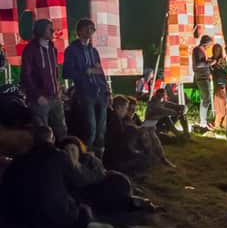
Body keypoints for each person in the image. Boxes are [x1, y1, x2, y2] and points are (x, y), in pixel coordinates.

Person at [0, 126, 113, 228]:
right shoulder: (60, 156)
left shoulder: (20, 159)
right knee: (82, 208)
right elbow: (80, 179)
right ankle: (85, 223)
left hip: (22, 214)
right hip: (55, 215)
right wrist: (99, 174)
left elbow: (6, 183)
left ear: (34, 140)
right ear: (52, 139)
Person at [59, 136, 157, 213]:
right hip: (93, 193)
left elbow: (97, 176)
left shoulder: (89, 158)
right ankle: (137, 202)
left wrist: (77, 167)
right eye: (66, 150)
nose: (70, 153)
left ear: (79, 149)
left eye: (72, 149)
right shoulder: (63, 166)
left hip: (111, 182)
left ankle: (140, 202)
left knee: (114, 197)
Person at [62, 18, 109, 157]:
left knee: (101, 129)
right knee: (91, 129)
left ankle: (99, 161)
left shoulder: (93, 51)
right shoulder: (72, 50)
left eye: (93, 29)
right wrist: (86, 71)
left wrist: (107, 90)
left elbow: (100, 72)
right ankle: (87, 159)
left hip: (100, 92)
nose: (91, 31)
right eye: (88, 28)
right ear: (79, 31)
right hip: (85, 92)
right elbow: (66, 73)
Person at [20, 18, 67, 142]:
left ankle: (63, 157)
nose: (53, 31)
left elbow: (55, 71)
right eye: (49, 29)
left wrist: (59, 87)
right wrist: (37, 95)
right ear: (41, 31)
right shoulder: (30, 49)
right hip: (39, 99)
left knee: (61, 130)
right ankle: (44, 157)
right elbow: (26, 75)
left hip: (55, 96)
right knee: (43, 133)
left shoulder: (52, 48)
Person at [193, 35, 213, 132]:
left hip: (204, 77)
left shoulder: (201, 50)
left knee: (204, 99)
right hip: (201, 78)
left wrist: (207, 60)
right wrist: (210, 63)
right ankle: (203, 122)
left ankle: (203, 122)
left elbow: (201, 62)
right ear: (206, 43)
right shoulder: (197, 50)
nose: (210, 46)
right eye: (209, 44)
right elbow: (198, 64)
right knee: (206, 99)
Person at [211, 43, 227, 129]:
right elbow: (210, 72)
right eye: (215, 50)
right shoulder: (211, 60)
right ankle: (217, 123)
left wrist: (222, 65)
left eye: (218, 50)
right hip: (218, 84)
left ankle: (225, 122)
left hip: (226, 83)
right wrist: (213, 64)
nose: (217, 51)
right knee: (219, 103)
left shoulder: (223, 60)